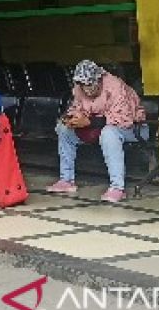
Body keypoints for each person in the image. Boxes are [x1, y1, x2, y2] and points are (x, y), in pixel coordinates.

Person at [46, 59, 147, 203]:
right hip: (98, 127)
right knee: (64, 129)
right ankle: (66, 180)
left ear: (99, 79)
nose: (87, 90)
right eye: (83, 86)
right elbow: (77, 108)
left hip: (133, 128)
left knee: (109, 133)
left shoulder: (115, 87)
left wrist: (89, 122)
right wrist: (70, 118)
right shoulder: (79, 88)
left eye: (90, 85)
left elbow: (123, 119)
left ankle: (117, 188)